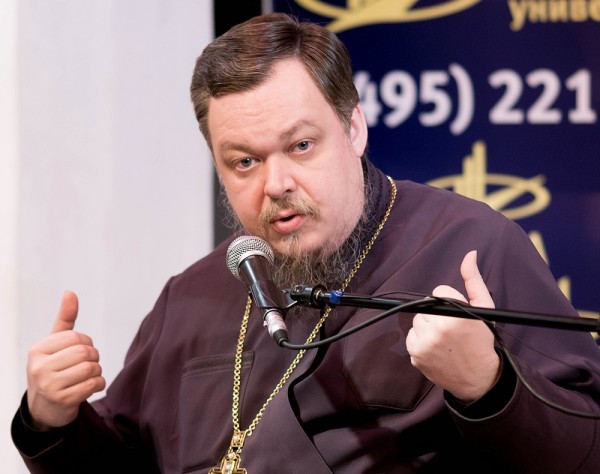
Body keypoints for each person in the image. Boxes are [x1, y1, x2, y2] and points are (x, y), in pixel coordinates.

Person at [11, 12, 600, 474]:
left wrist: (487, 388)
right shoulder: (190, 296)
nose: (276, 185)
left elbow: (586, 450)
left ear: (353, 128)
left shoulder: (470, 247)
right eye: (244, 162)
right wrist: (52, 420)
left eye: (300, 146)